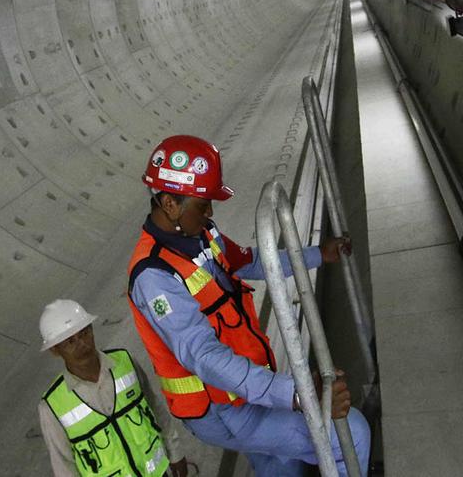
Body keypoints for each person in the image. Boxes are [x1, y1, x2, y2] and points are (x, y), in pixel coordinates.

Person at [126, 135, 371, 476]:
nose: (210, 212)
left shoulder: (201, 236)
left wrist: (318, 254)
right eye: (203, 204)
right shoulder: (154, 276)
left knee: (279, 464)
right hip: (220, 410)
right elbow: (204, 356)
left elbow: (256, 261)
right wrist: (297, 395)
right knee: (352, 434)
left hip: (244, 390)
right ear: (169, 204)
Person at [37, 299, 191, 477]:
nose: (83, 344)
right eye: (70, 342)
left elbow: (154, 407)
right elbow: (63, 464)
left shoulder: (125, 362)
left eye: (85, 333)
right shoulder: (52, 406)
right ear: (55, 350)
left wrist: (175, 452)